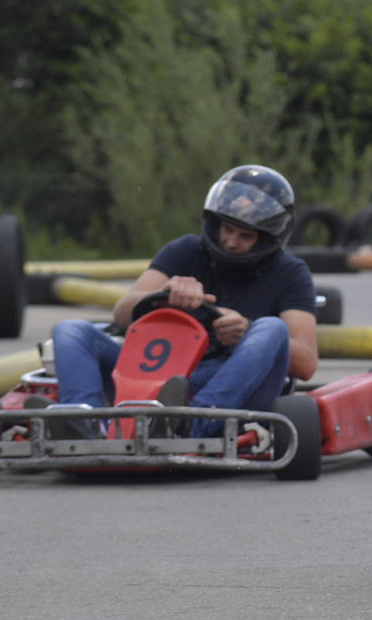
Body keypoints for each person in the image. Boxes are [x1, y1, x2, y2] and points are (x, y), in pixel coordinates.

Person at [42, 164, 318, 438]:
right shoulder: (186, 251)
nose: (231, 242)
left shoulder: (290, 273)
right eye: (227, 229)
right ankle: (83, 422)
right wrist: (164, 294)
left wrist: (246, 331)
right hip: (161, 374)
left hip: (234, 386)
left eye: (245, 236)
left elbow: (305, 362)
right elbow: (122, 314)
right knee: (70, 330)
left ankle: (188, 425)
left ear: (269, 238)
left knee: (271, 328)